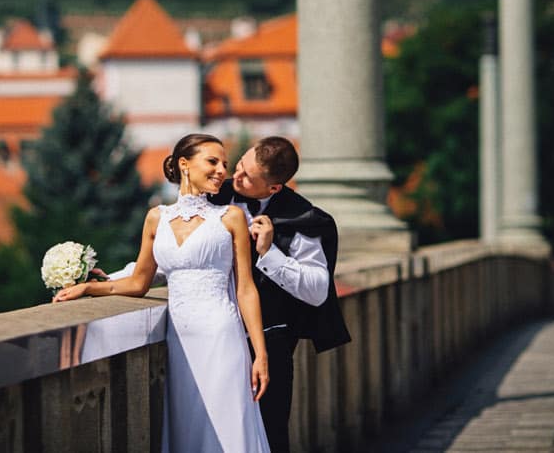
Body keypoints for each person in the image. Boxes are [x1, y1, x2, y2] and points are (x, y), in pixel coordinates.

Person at [54, 133, 272, 453]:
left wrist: (260, 353)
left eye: (224, 164)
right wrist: (88, 287)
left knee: (227, 426)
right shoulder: (157, 217)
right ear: (184, 164)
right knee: (188, 426)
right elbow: (138, 282)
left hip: (221, 335)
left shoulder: (231, 217)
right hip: (180, 341)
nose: (221, 170)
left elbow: (246, 289)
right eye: (212, 161)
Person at [214, 136, 351, 453]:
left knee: (269, 434)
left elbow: (318, 291)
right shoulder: (215, 196)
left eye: (248, 176)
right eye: (240, 164)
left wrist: (269, 253)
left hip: (271, 345)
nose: (236, 175)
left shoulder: (301, 217)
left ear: (274, 188)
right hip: (215, 335)